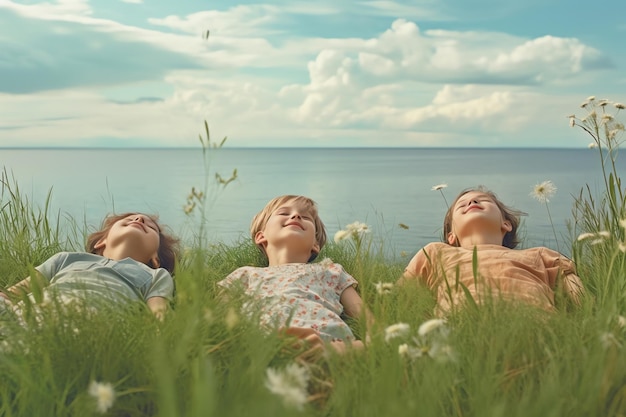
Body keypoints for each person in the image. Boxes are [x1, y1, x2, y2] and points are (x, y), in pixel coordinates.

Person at [218, 195, 372, 353]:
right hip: (260, 346)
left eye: (306, 217)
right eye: (284, 213)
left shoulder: (331, 271)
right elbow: (219, 322)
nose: (296, 216)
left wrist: (343, 350)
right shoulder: (245, 274)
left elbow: (372, 327)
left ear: (315, 244)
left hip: (327, 347)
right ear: (261, 236)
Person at [399, 186, 584, 316]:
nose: (471, 201)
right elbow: (401, 295)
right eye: (462, 205)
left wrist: (587, 313)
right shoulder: (436, 252)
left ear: (506, 224)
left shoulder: (537, 254)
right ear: (451, 236)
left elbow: (570, 280)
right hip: (458, 323)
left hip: (535, 321)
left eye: (483, 200)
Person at [0, 212, 180, 321]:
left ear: (155, 257)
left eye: (150, 227)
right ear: (101, 241)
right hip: (29, 312)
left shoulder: (155, 275)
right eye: (129, 219)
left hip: (88, 320)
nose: (140, 219)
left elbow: (158, 315)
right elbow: (15, 292)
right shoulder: (66, 259)